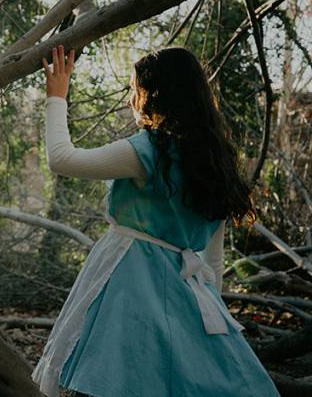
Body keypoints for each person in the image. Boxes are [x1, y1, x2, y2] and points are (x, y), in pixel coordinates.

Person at [31, 45, 281, 397]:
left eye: (135, 90)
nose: (132, 99)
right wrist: (210, 309)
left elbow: (61, 159)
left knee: (121, 382)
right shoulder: (214, 161)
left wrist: (57, 97)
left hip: (129, 286)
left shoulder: (147, 151)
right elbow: (213, 258)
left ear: (155, 95)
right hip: (190, 289)